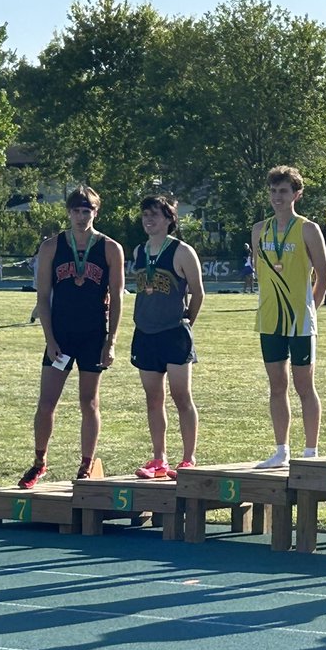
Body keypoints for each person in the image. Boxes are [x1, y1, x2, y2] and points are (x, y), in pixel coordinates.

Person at [18, 186, 125, 488]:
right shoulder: (51, 247)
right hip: (61, 336)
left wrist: (112, 341)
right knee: (46, 402)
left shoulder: (109, 248)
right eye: (77, 211)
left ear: (96, 212)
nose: (81, 216)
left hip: (93, 335)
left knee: (89, 402)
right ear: (68, 212)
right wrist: (50, 339)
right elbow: (43, 297)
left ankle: (86, 464)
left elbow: (117, 298)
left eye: (87, 210)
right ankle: (39, 462)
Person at [252, 166, 326, 468]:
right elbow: (260, 272)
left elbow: (323, 276)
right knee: (276, 386)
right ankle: (281, 449)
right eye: (273, 191)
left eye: (283, 191)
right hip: (269, 319)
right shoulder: (260, 229)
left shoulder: (308, 229)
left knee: (304, 386)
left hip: (300, 320)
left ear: (296, 194)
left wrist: (310, 311)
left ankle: (310, 451)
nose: (277, 197)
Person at [130, 195, 205, 479]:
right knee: (153, 399)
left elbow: (198, 292)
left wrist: (188, 321)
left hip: (174, 333)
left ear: (170, 219)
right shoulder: (139, 251)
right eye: (145, 215)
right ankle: (159, 458)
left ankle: (188, 458)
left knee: (181, 396)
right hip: (145, 334)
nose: (149, 220)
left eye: (156, 215)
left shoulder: (182, 251)